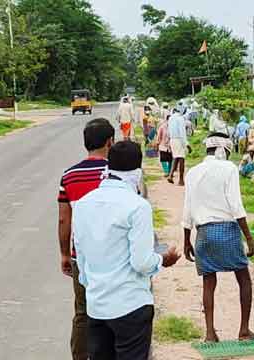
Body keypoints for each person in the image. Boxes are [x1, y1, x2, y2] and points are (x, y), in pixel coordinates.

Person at [73, 141, 181, 360]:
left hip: (97, 306)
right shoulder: (137, 206)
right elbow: (141, 262)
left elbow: (81, 257)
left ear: (108, 166)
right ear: (138, 171)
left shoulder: (84, 204)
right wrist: (162, 259)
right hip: (130, 305)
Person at [182, 133, 254, 343]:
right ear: (223, 150)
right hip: (227, 230)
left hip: (203, 234)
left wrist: (186, 239)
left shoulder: (193, 172)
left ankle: (210, 333)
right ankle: (244, 331)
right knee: (243, 279)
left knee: (209, 282)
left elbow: (187, 208)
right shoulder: (229, 169)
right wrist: (249, 238)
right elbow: (236, 205)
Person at [57, 118, 115, 360]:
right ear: (110, 142)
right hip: (113, 256)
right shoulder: (115, 173)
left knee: (82, 312)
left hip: (81, 256)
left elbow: (64, 220)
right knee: (113, 309)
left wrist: (64, 254)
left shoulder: (69, 176)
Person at [168, 109, 188, 186]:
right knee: (182, 159)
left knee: (175, 157)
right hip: (179, 139)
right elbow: (182, 132)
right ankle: (181, 180)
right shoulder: (180, 118)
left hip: (172, 139)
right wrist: (186, 144)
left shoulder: (171, 118)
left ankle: (170, 175)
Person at [156, 110, 172, 176]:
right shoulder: (162, 127)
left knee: (170, 159)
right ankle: (166, 171)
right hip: (163, 146)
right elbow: (159, 136)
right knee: (163, 159)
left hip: (171, 146)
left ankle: (169, 171)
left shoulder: (173, 127)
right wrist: (157, 144)